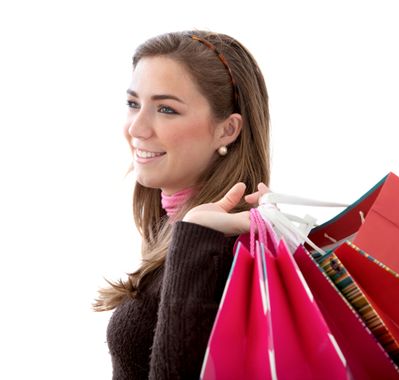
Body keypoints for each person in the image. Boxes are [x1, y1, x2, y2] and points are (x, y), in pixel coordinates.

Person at [93, 30, 271, 379]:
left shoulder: (228, 253)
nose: (137, 128)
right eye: (133, 104)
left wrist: (197, 235)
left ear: (227, 130)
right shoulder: (182, 236)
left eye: (166, 109)